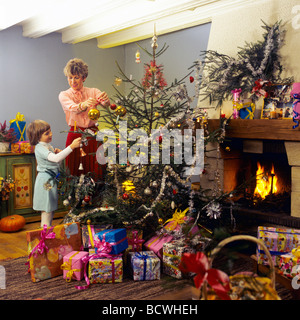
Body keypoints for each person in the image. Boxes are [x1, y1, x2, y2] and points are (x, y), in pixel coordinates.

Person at [58, 58, 110, 180]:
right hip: (74, 135)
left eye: (76, 77)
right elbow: (72, 107)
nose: (72, 81)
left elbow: (105, 105)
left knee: (96, 169)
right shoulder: (64, 95)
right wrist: (84, 104)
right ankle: (74, 198)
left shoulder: (93, 91)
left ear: (84, 77)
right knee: (73, 169)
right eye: (70, 77)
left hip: (93, 135)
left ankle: (96, 197)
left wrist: (106, 99)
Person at [27, 120, 81, 227]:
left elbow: (55, 163)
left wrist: (58, 154)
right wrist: (71, 146)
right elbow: (56, 159)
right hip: (45, 181)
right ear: (37, 136)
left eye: (50, 131)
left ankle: (47, 233)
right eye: (47, 133)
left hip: (50, 180)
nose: (51, 134)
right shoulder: (40, 148)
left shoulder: (48, 146)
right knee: (47, 210)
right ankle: (45, 234)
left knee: (50, 209)